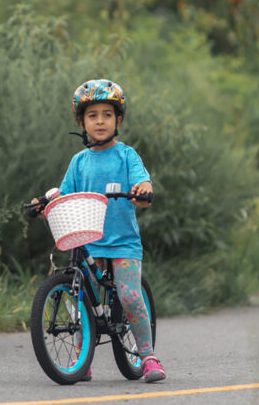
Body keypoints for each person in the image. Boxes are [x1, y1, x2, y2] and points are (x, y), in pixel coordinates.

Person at [58, 78, 166, 383]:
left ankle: (147, 357)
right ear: (82, 122)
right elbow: (63, 195)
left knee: (130, 295)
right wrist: (45, 201)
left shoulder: (127, 156)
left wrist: (142, 189)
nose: (100, 121)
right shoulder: (78, 162)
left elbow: (142, 182)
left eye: (107, 114)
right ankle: (82, 359)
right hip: (88, 240)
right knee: (80, 299)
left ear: (118, 120)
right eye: (93, 115)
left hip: (122, 242)